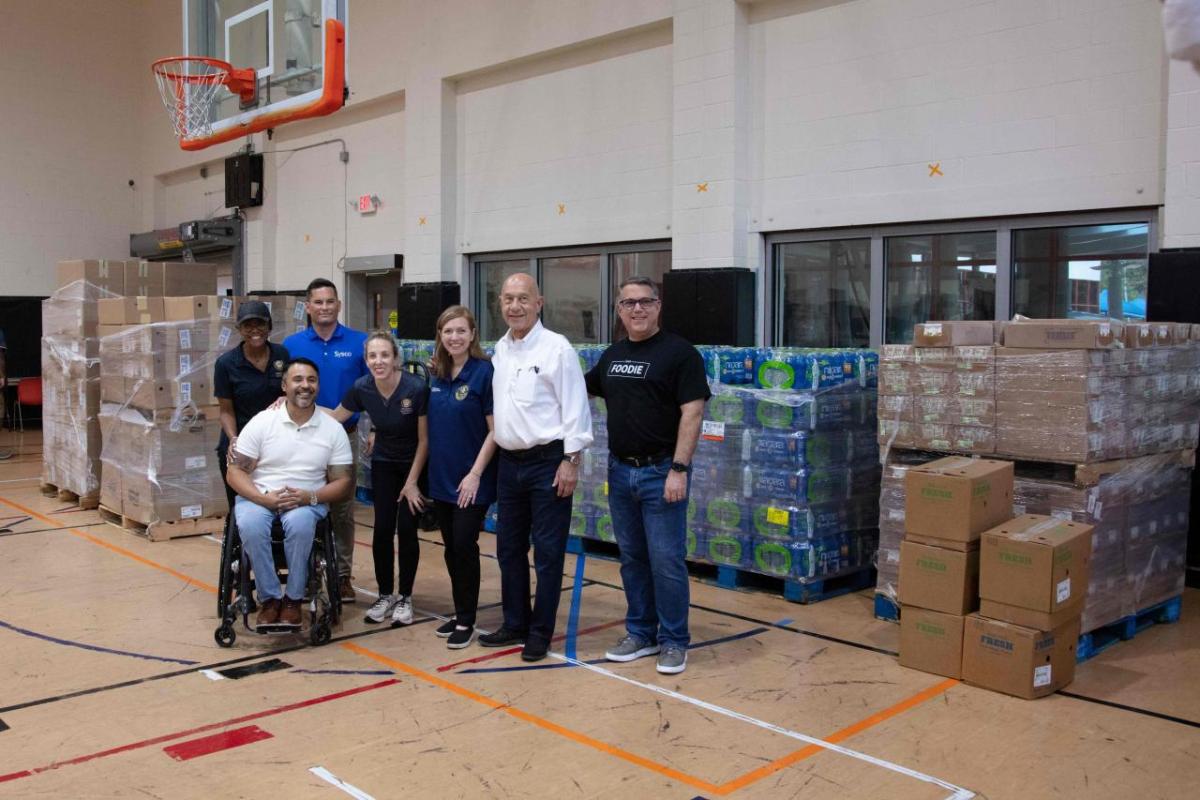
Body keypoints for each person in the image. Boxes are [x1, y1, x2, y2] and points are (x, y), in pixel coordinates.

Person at [584, 276, 709, 674]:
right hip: (620, 472)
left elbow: (693, 412)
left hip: (661, 473)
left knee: (667, 561)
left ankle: (674, 640)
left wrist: (678, 468)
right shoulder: (612, 355)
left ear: (659, 306)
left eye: (645, 302)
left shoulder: (680, 353)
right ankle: (640, 632)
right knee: (633, 559)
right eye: (628, 303)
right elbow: (576, 390)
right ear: (619, 310)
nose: (637, 309)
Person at [481, 273, 592, 662]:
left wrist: (571, 461)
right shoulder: (500, 350)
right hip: (509, 465)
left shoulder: (556, 349)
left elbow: (577, 408)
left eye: (523, 299)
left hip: (549, 463)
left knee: (547, 553)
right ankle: (515, 622)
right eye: (508, 299)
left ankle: (540, 632)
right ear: (500, 304)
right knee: (508, 550)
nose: (515, 306)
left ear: (539, 302)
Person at [226, 358, 354, 629]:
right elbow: (235, 471)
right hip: (260, 495)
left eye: (311, 380)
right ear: (284, 386)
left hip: (307, 499)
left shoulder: (332, 429)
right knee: (249, 522)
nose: (304, 386)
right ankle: (270, 599)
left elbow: (343, 482)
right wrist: (263, 499)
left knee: (300, 523)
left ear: (318, 386)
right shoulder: (263, 421)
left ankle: (294, 599)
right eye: (297, 380)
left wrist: (310, 497)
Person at [322, 331, 429, 626]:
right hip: (383, 462)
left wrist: (412, 482)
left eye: (384, 355)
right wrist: (294, 406)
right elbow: (335, 417)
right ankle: (385, 595)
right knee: (382, 529)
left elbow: (424, 441)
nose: (378, 361)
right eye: (372, 356)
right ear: (366, 360)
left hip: (414, 466)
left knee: (406, 530)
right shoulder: (362, 387)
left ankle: (405, 597)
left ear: (396, 358)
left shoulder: (415, 388)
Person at [283, 278, 368, 604]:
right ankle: (306, 575)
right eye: (318, 302)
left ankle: (343, 576)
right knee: (304, 504)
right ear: (308, 307)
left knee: (342, 511)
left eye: (330, 301)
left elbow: (371, 391)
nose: (324, 307)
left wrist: (371, 430)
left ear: (338, 305)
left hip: (344, 439)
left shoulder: (358, 343)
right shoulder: (292, 345)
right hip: (301, 439)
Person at [426, 306, 498, 649]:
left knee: (464, 546)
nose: (454, 337)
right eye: (447, 331)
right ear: (440, 336)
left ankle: (467, 620)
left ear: (472, 335)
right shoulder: (436, 374)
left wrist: (475, 475)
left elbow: (494, 432)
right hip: (441, 479)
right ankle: (459, 611)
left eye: (460, 331)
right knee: (451, 549)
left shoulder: (485, 373)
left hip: (472, 481)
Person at [214, 301, 290, 510]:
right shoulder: (226, 364)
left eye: (261, 324)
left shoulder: (281, 355)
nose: (255, 330)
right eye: (248, 325)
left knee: (276, 499)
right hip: (241, 439)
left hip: (276, 439)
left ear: (270, 327)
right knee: (242, 502)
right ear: (239, 329)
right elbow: (226, 410)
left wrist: (287, 397)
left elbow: (291, 392)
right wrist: (233, 440)